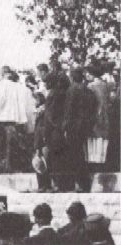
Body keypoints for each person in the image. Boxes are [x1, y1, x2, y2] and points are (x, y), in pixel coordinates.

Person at [0, 66, 30, 173]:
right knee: (11, 144)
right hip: (12, 119)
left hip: (0, 118)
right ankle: (10, 165)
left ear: (2, 73)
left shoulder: (2, 84)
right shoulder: (16, 86)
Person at [63, 68, 97, 192]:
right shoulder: (88, 91)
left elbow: (69, 110)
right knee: (83, 155)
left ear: (72, 78)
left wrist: (65, 127)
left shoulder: (71, 90)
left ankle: (80, 183)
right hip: (85, 126)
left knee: (75, 155)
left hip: (73, 127)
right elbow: (94, 109)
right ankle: (85, 183)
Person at [40, 63, 70, 191]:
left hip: (53, 131)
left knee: (54, 158)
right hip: (60, 129)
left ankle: (57, 184)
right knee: (60, 157)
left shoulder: (52, 95)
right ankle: (61, 184)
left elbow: (50, 116)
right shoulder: (62, 93)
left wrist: (45, 133)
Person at [86, 64, 111, 167]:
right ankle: (101, 159)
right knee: (102, 137)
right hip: (104, 114)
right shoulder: (105, 85)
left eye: (88, 73)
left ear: (92, 74)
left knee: (94, 136)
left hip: (94, 114)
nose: (86, 75)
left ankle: (93, 160)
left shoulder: (90, 86)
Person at [33, 92, 51, 192]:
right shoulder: (42, 111)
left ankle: (43, 185)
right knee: (42, 164)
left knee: (42, 164)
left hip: (41, 141)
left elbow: (40, 129)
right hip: (41, 140)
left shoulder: (41, 112)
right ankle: (44, 185)